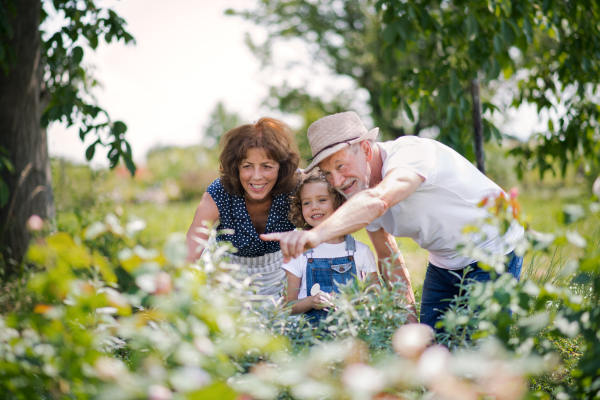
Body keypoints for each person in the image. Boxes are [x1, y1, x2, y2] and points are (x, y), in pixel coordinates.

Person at [261, 111, 524, 329]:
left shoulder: (410, 154)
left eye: (340, 166)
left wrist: (314, 235)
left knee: (478, 355)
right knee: (430, 350)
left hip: (493, 251)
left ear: (365, 147)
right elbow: (388, 258)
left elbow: (380, 200)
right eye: (328, 173)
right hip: (444, 263)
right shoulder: (358, 193)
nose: (337, 181)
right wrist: (408, 320)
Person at [186, 117, 300, 297]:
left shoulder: (297, 186)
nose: (256, 176)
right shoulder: (219, 192)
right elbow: (189, 255)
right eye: (247, 166)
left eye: (266, 166)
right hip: (229, 282)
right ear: (236, 168)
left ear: (281, 167)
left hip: (285, 278)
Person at [281, 170, 379, 322]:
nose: (314, 207)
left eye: (322, 200)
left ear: (340, 203)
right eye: (306, 202)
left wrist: (352, 302)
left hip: (353, 337)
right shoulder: (299, 252)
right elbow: (287, 304)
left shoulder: (361, 252)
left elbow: (375, 298)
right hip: (310, 339)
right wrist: (310, 301)